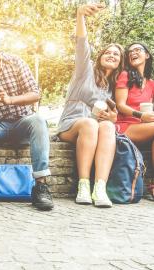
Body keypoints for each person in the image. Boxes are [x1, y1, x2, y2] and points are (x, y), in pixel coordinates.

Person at [0, 23, 53, 211]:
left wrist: (10, 99)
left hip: (22, 121)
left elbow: (35, 94)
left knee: (38, 120)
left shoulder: (15, 61)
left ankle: (41, 186)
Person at [57, 4, 124, 208]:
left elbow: (113, 116)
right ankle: (83, 185)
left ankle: (100, 188)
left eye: (116, 54)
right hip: (72, 125)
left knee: (107, 126)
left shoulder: (113, 89)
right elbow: (82, 43)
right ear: (100, 56)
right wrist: (80, 15)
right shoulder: (84, 71)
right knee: (89, 124)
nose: (111, 55)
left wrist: (112, 119)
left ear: (120, 62)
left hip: (94, 128)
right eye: (107, 52)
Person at [114, 43, 154, 198]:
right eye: (130, 51)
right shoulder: (125, 75)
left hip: (144, 127)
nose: (133, 53)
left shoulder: (151, 83)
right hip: (125, 126)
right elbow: (120, 105)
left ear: (147, 55)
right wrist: (140, 115)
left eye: (138, 50)